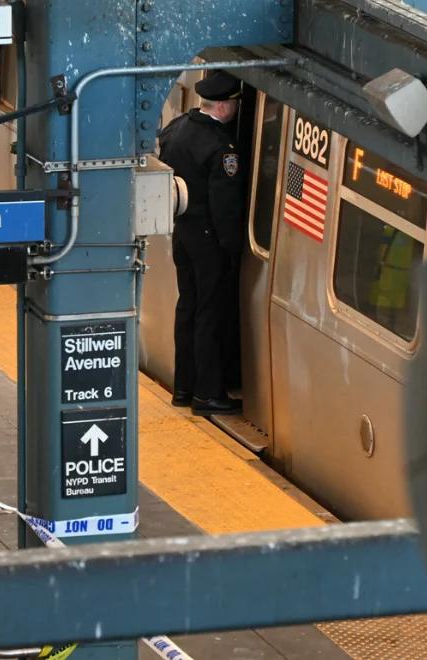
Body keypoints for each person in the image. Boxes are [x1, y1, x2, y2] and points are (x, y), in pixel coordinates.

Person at [157, 70, 246, 416]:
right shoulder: (221, 148)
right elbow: (225, 208)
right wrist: (233, 249)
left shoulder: (177, 128)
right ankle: (208, 394)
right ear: (224, 106)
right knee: (209, 314)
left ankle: (184, 387)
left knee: (188, 309)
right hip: (209, 241)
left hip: (183, 232)